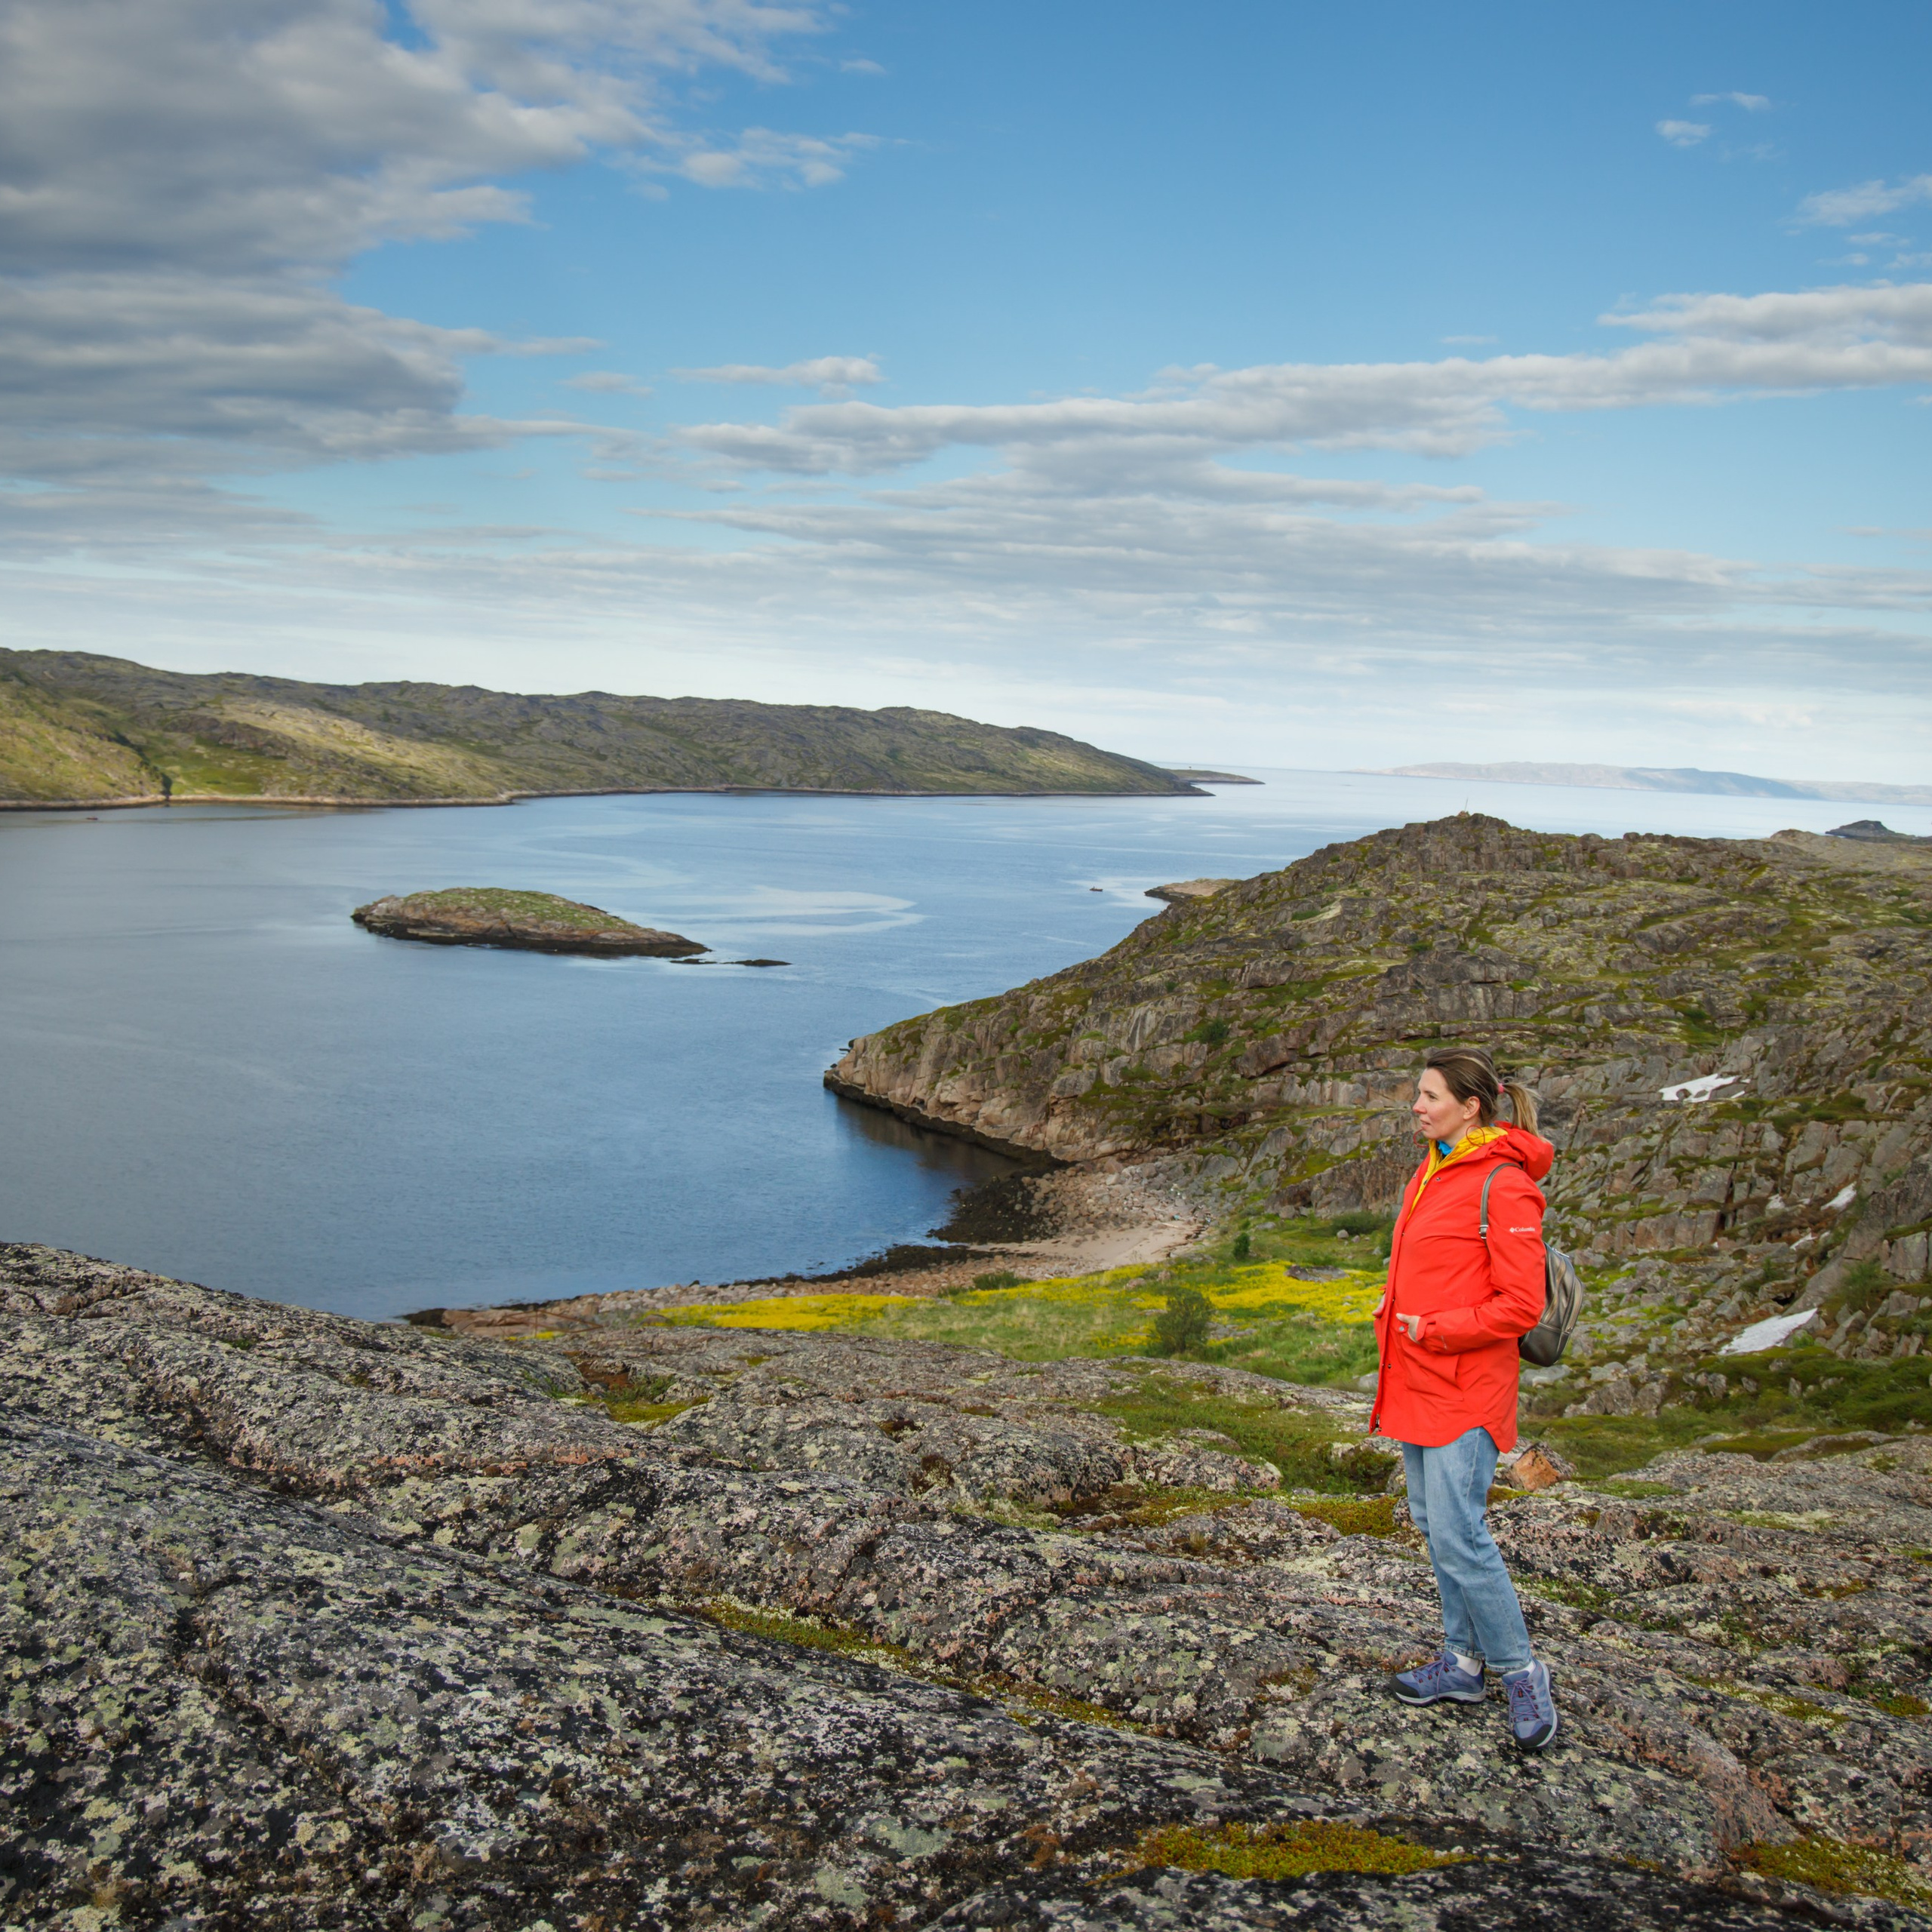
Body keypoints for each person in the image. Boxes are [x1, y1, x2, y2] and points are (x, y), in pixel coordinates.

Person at [1371, 1045, 1559, 1751]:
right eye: (1417, 1094)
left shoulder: (1503, 1186)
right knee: (1432, 1522)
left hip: (1465, 1389)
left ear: (1470, 1105)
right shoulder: (1437, 1167)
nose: (1416, 1106)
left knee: (1461, 1535)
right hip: (1418, 1380)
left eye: (1428, 1095)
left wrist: (1436, 1328)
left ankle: (1521, 1674)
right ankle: (1463, 1663)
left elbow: (1521, 1304)